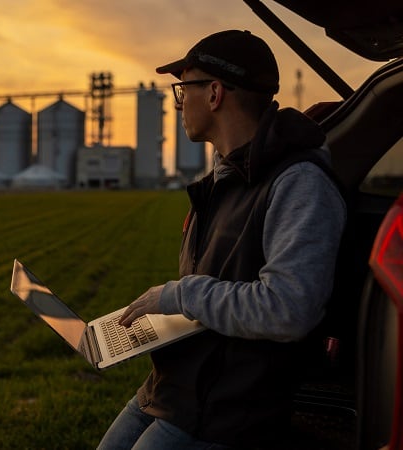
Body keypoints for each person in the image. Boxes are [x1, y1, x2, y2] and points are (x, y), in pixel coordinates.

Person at [97, 30, 346, 450]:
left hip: (229, 408)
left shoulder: (298, 183)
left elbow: (289, 309)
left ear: (214, 93)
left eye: (183, 89)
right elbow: (219, 287)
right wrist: (157, 321)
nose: (178, 104)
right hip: (175, 385)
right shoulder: (222, 179)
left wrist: (182, 295)